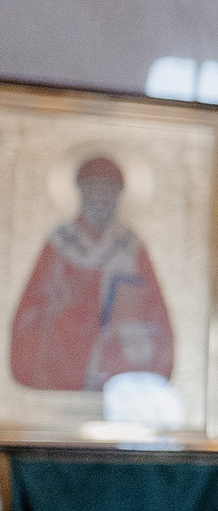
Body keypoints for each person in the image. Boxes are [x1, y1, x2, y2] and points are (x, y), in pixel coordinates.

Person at [9, 155, 175, 392]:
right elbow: (31, 310)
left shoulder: (130, 247)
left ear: (119, 195)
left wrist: (133, 319)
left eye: (108, 190)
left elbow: (155, 312)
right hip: (63, 358)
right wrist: (58, 302)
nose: (100, 198)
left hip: (117, 360)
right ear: (80, 192)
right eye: (93, 189)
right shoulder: (60, 244)